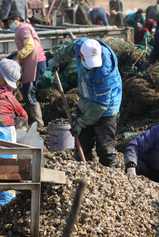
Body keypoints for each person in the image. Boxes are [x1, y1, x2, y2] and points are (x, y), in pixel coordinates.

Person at [49, 38, 122, 167]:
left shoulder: (104, 72)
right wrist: (57, 57)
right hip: (86, 99)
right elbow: (71, 47)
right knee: (82, 143)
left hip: (106, 107)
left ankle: (111, 172)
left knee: (105, 148)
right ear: (80, 55)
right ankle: (84, 168)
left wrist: (81, 122)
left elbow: (100, 105)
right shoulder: (81, 45)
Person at [5, 12, 47, 126]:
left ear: (17, 19)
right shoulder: (25, 27)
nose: (10, 25)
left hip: (36, 62)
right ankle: (34, 121)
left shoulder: (22, 28)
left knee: (28, 93)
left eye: (10, 22)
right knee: (28, 91)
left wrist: (17, 56)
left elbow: (30, 46)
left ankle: (38, 123)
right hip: (37, 61)